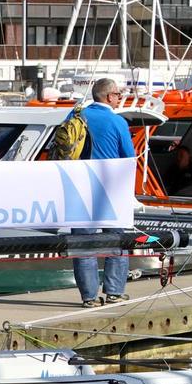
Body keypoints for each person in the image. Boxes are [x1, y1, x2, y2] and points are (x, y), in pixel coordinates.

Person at [71, 78, 136, 308]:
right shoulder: (116, 121)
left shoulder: (75, 116)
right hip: (110, 189)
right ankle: (114, 292)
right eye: (118, 94)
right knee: (116, 240)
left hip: (78, 187)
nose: (120, 98)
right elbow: (129, 157)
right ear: (109, 97)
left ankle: (89, 297)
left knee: (82, 244)